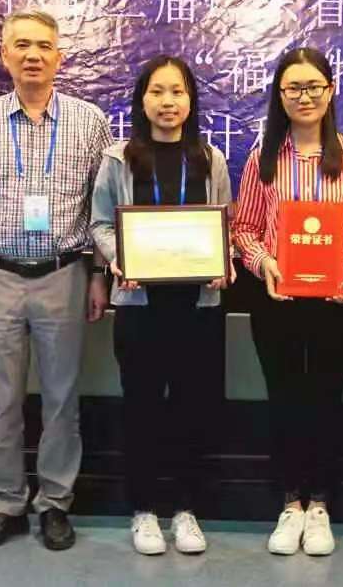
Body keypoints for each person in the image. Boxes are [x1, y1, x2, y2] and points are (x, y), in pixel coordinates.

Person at [0, 10, 113, 551]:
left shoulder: (90, 121)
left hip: (65, 275)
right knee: (1, 401)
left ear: (60, 56)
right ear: (5, 55)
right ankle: (6, 503)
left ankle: (55, 502)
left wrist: (98, 275)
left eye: (43, 45)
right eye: (21, 45)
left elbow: (103, 207)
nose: (33, 55)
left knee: (62, 399)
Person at [232, 47, 343, 556]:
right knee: (285, 399)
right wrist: (263, 263)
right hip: (277, 300)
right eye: (293, 88)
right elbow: (244, 229)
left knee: (326, 399)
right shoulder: (264, 158)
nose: (304, 96)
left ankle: (320, 505)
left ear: (330, 91)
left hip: (335, 301)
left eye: (314, 86)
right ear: (280, 96)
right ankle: (290, 502)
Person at [89, 55, 234, 555]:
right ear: (142, 100)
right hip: (140, 304)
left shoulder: (210, 159)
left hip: (197, 305)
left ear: (190, 100)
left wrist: (223, 261)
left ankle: (186, 510)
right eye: (157, 91)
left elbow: (224, 224)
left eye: (177, 91)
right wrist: (119, 258)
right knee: (142, 408)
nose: (167, 102)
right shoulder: (118, 159)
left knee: (194, 409)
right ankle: (144, 510)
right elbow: (100, 223)